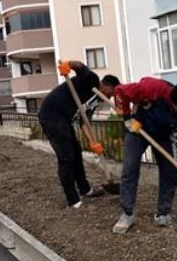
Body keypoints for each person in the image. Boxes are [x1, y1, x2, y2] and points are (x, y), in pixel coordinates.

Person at [111, 77, 177, 234]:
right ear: (173, 101)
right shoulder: (152, 88)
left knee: (171, 171)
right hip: (138, 129)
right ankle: (127, 213)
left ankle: (163, 213)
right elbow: (120, 91)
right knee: (130, 167)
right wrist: (127, 117)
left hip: (165, 134)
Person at [38, 60, 119, 209]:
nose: (111, 97)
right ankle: (73, 200)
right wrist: (68, 65)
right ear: (107, 86)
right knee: (67, 157)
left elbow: (84, 122)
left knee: (76, 152)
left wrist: (93, 142)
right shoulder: (92, 80)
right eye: (112, 93)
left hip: (65, 120)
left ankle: (85, 189)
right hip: (51, 115)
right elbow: (80, 66)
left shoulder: (95, 101)